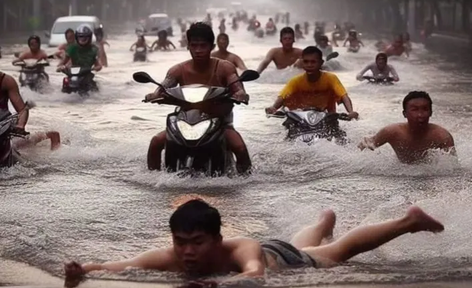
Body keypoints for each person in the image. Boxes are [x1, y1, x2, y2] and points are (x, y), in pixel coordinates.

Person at [64, 199, 444, 287]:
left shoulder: (240, 246)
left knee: (337, 251)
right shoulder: (173, 256)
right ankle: (322, 221)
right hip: (283, 247)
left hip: (285, 261)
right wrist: (83, 271)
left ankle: (407, 221)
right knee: (309, 240)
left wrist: (222, 283)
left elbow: (256, 273)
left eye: (197, 242)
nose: (188, 251)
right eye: (181, 243)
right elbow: (119, 266)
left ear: (217, 238)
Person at [144, 23, 252, 174]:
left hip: (220, 122)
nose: (198, 50)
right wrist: (155, 95)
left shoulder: (225, 67)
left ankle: (246, 178)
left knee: (239, 147)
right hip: (185, 121)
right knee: (156, 142)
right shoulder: (178, 69)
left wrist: (240, 94)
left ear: (211, 46)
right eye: (194, 46)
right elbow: (163, 87)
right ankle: (153, 176)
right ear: (188, 46)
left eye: (203, 46)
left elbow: (237, 86)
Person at [358, 91, 456, 164]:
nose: (420, 115)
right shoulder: (392, 132)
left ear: (430, 113)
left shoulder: (442, 136)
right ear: (405, 114)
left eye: (425, 109)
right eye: (415, 109)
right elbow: (367, 144)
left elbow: (453, 167)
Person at [265, 47, 358, 120]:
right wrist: (273, 108)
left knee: (338, 134)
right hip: (301, 115)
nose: (309, 65)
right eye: (306, 62)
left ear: (320, 63)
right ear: (302, 63)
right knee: (288, 125)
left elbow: (344, 96)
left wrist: (351, 112)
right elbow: (282, 96)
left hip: (326, 115)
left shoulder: (331, 78)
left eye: (313, 62)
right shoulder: (296, 81)